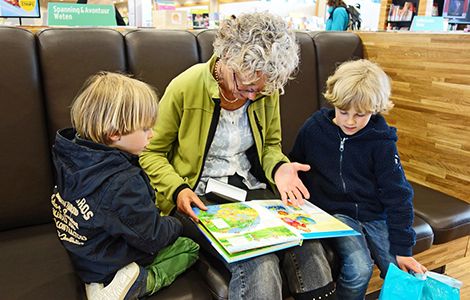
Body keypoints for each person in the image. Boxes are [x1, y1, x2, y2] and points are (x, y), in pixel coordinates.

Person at [140, 11, 337, 300]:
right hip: (198, 194)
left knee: (308, 245)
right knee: (259, 259)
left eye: (262, 88)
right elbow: (151, 153)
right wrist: (177, 189)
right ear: (228, 57)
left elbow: (270, 146)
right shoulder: (187, 86)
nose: (254, 96)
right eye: (247, 86)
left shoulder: (264, 91)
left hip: (250, 188)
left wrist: (279, 167)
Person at [50, 72, 199, 300]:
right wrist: (178, 223)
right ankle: (139, 282)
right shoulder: (123, 183)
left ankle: (97, 284)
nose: (152, 134)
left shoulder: (71, 153)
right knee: (189, 248)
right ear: (114, 133)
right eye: (146, 129)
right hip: (110, 260)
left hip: (83, 257)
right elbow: (153, 237)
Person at [289, 59, 427, 300]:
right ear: (334, 103)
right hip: (335, 214)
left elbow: (398, 194)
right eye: (344, 112)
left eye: (360, 115)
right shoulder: (314, 128)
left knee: (400, 271)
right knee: (359, 270)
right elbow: (294, 166)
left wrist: (403, 249)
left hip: (375, 215)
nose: (350, 121)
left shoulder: (381, 142)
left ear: (375, 109)